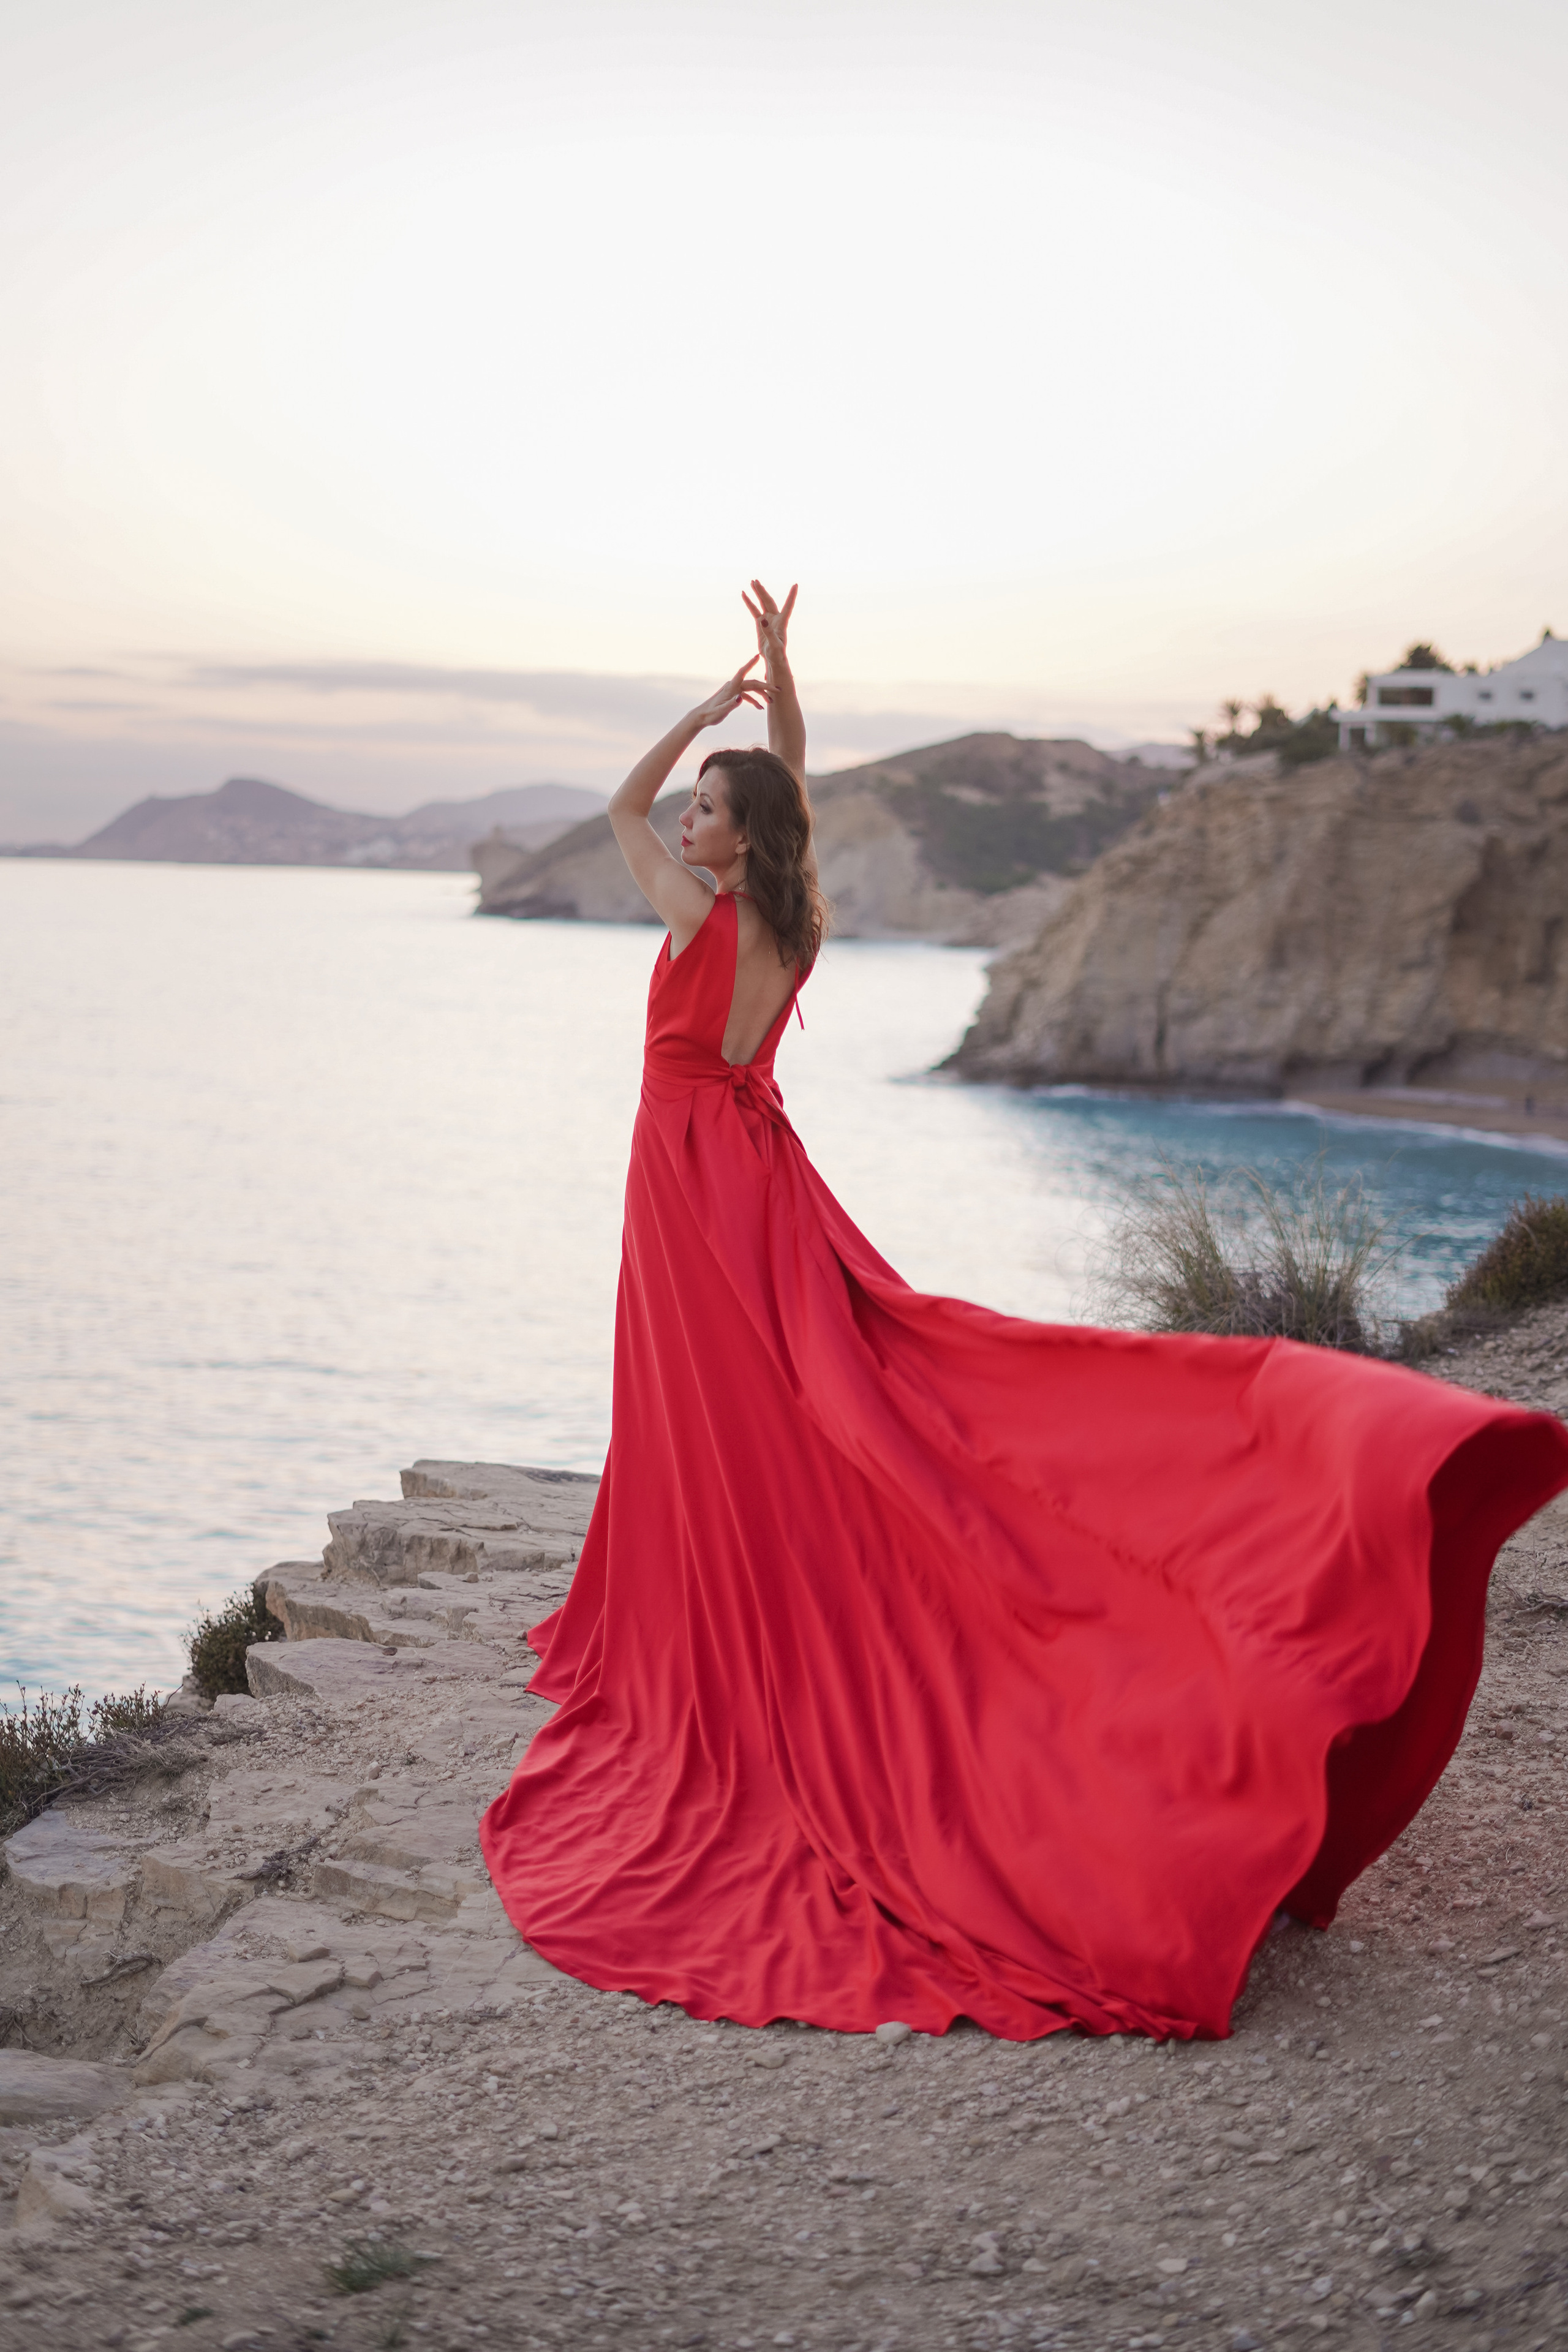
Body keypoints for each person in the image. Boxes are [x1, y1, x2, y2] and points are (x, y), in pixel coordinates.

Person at [481, 583, 1568, 2043]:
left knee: (720, 1393)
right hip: (746, 1169)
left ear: (734, 839)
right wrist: (777, 692)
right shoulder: (786, 919)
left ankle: (730, 1600)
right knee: (798, 1382)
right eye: (694, 809)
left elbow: (620, 807)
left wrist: (698, 713)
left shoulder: (703, 916)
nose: (681, 821)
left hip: (688, 1180)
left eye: (705, 813)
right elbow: (781, 786)